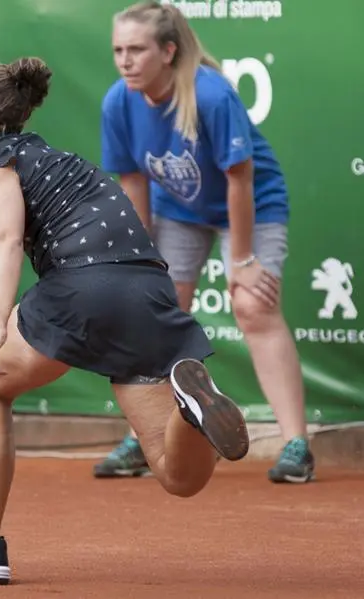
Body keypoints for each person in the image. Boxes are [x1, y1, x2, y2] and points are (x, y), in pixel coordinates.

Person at [0, 56, 250, 585]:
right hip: (146, 289)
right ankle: (190, 413)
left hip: (81, 287)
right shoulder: (42, 162)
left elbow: (3, 241)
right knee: (175, 475)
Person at [92, 1, 313, 484]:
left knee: (253, 305)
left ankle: (296, 443)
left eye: (137, 49)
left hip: (252, 204)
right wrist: (141, 254)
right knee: (157, 312)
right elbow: (133, 181)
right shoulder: (118, 101)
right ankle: (150, 438)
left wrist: (245, 260)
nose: (125, 60)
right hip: (177, 210)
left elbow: (240, 180)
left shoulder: (211, 95)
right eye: (118, 50)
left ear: (168, 51)